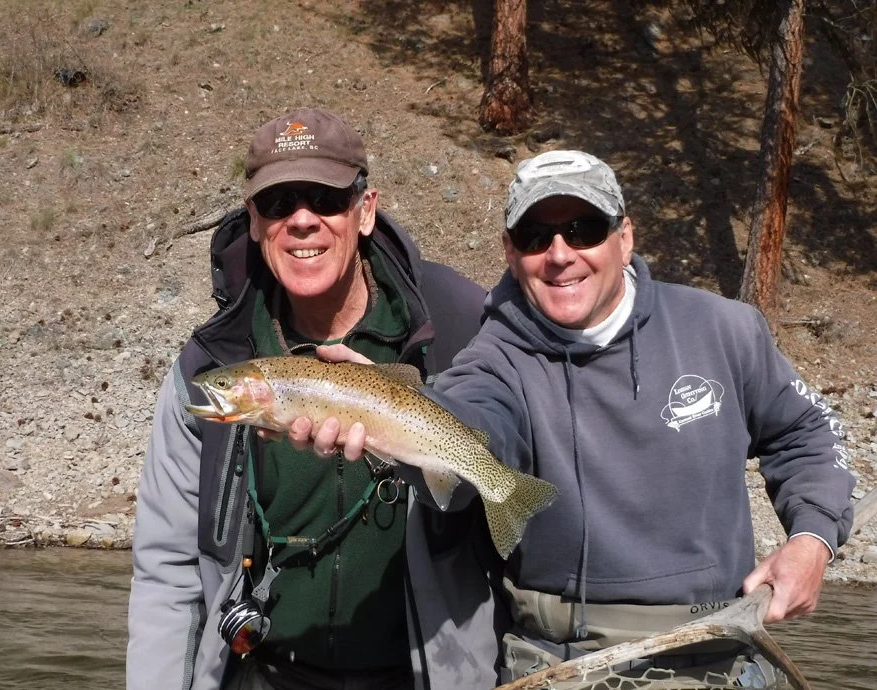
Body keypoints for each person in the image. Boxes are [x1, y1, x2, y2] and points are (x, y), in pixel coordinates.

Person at [294, 150, 856, 686]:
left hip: (721, 652)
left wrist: (813, 540)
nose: (560, 254)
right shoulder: (495, 357)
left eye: (583, 228)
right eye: (536, 237)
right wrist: (383, 411)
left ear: (625, 236)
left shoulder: (723, 329)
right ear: (511, 252)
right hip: (560, 664)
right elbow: (467, 422)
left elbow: (807, 433)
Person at [126, 107, 496, 690]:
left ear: (365, 209)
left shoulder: (458, 325)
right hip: (266, 673)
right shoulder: (211, 365)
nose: (302, 221)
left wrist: (415, 449)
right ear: (253, 220)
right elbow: (167, 572)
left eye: (325, 199)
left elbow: (512, 483)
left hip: (422, 673)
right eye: (278, 203)